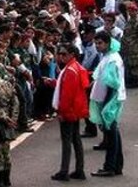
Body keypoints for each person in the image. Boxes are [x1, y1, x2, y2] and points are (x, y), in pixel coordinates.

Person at [89, 31, 125, 177]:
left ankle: (109, 166)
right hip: (108, 99)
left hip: (110, 100)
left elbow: (112, 84)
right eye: (96, 43)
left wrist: (105, 106)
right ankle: (116, 165)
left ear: (108, 43)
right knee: (113, 133)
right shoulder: (109, 57)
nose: (97, 46)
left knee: (111, 134)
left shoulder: (112, 59)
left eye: (100, 43)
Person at [51, 44, 89, 182]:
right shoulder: (76, 67)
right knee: (75, 139)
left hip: (69, 110)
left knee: (67, 141)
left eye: (64, 54)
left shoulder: (70, 70)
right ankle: (79, 169)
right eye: (60, 54)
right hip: (76, 109)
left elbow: (67, 95)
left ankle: (64, 171)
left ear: (72, 54)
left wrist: (61, 112)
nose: (61, 56)